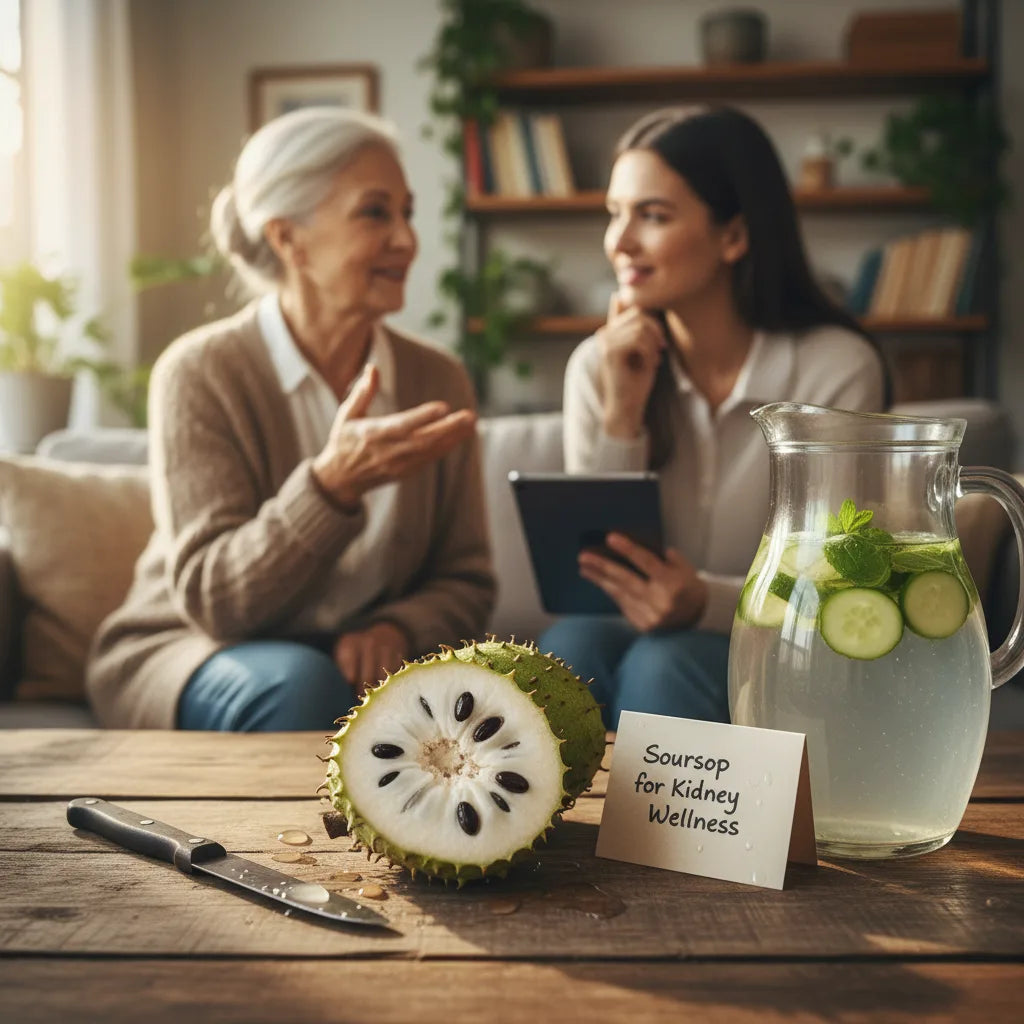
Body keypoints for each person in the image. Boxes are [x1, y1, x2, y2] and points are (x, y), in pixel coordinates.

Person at [86, 107, 495, 731]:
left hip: (356, 665)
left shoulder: (438, 379)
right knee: (303, 685)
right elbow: (214, 601)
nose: (408, 240)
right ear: (287, 238)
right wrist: (330, 488)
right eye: (375, 212)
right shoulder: (201, 372)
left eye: (407, 213)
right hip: (196, 648)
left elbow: (466, 578)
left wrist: (398, 626)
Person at [539, 106, 886, 730]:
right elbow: (596, 572)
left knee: (665, 663)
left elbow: (840, 575)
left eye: (653, 215)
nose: (618, 243)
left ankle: (666, 833)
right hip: (625, 628)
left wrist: (705, 600)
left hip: (777, 638)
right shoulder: (598, 364)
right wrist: (622, 412)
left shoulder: (836, 368)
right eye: (615, 214)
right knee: (569, 649)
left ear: (734, 236)